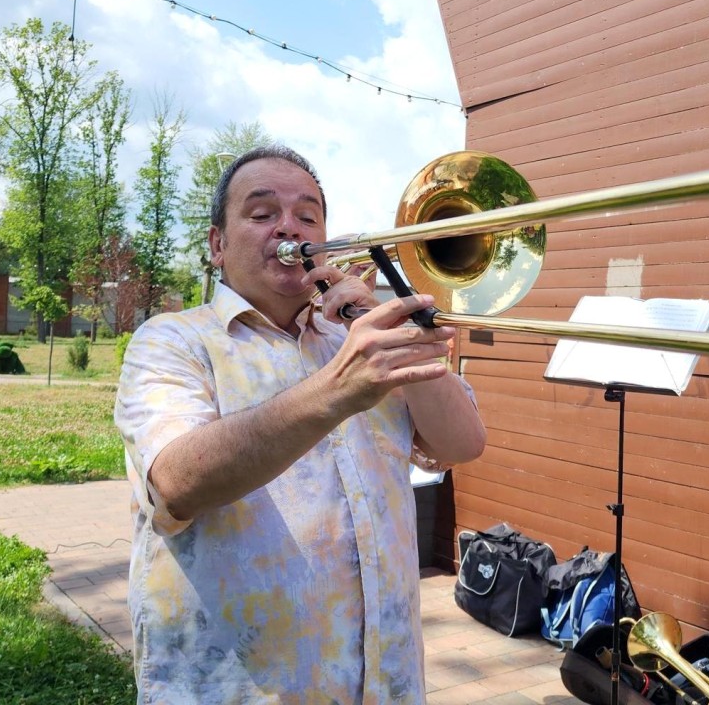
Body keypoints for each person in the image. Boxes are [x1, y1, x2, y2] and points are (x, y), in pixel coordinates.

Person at [115, 143, 486, 703]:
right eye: (261, 214)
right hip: (236, 687)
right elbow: (174, 482)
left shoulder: (358, 340)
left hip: (383, 680)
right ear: (218, 244)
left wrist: (393, 337)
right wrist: (338, 389)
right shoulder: (173, 340)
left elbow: (464, 443)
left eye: (307, 215)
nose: (289, 228)